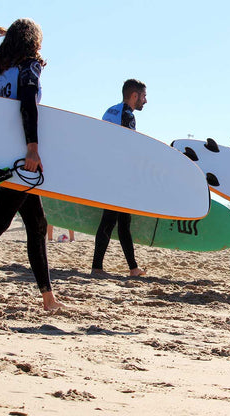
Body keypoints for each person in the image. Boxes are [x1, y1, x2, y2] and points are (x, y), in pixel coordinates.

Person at [0, 19, 65, 310]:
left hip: (4, 153)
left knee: (36, 224)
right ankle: (49, 299)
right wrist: (32, 147)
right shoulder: (28, 65)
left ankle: (49, 299)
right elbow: (27, 104)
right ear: (32, 40)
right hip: (22, 156)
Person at [91, 79, 147, 277]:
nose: (145, 101)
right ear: (134, 96)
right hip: (119, 175)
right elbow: (127, 147)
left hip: (107, 171)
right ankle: (97, 267)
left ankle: (133, 267)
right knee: (110, 220)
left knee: (123, 221)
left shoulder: (110, 111)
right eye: (143, 96)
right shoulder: (127, 115)